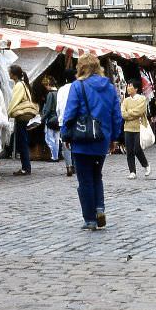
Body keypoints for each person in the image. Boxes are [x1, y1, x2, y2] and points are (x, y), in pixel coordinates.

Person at [62, 53, 123, 231]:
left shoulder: (78, 86)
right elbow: (116, 116)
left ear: (81, 67)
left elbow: (70, 113)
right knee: (97, 176)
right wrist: (114, 137)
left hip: (82, 140)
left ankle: (90, 218)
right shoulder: (110, 88)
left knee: (85, 180)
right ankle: (100, 208)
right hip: (102, 140)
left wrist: (66, 135)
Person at [7, 64, 37, 176]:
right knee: (22, 140)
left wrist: (8, 113)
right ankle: (26, 167)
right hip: (23, 117)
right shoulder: (23, 84)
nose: (8, 74)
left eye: (10, 72)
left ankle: (26, 167)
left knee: (22, 141)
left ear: (13, 74)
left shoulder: (19, 85)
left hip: (21, 116)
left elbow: (15, 100)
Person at [121, 79, 151, 179]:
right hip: (128, 128)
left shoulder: (142, 99)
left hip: (139, 127)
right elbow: (123, 114)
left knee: (137, 148)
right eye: (128, 86)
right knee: (129, 151)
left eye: (130, 86)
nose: (128, 88)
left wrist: (129, 112)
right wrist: (131, 113)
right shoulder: (126, 100)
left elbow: (140, 111)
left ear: (136, 88)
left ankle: (145, 165)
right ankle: (132, 171)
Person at [56, 70, 76, 177]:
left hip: (63, 119)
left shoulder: (61, 90)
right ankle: (75, 165)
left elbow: (58, 107)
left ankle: (68, 165)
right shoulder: (78, 88)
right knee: (76, 142)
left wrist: (60, 116)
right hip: (76, 119)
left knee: (65, 143)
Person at [40, 76, 60, 163]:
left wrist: (42, 118)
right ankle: (56, 156)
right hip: (58, 118)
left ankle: (54, 156)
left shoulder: (50, 94)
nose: (45, 87)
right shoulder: (59, 92)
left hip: (51, 118)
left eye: (45, 85)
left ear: (48, 84)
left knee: (49, 138)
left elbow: (47, 109)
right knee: (57, 138)